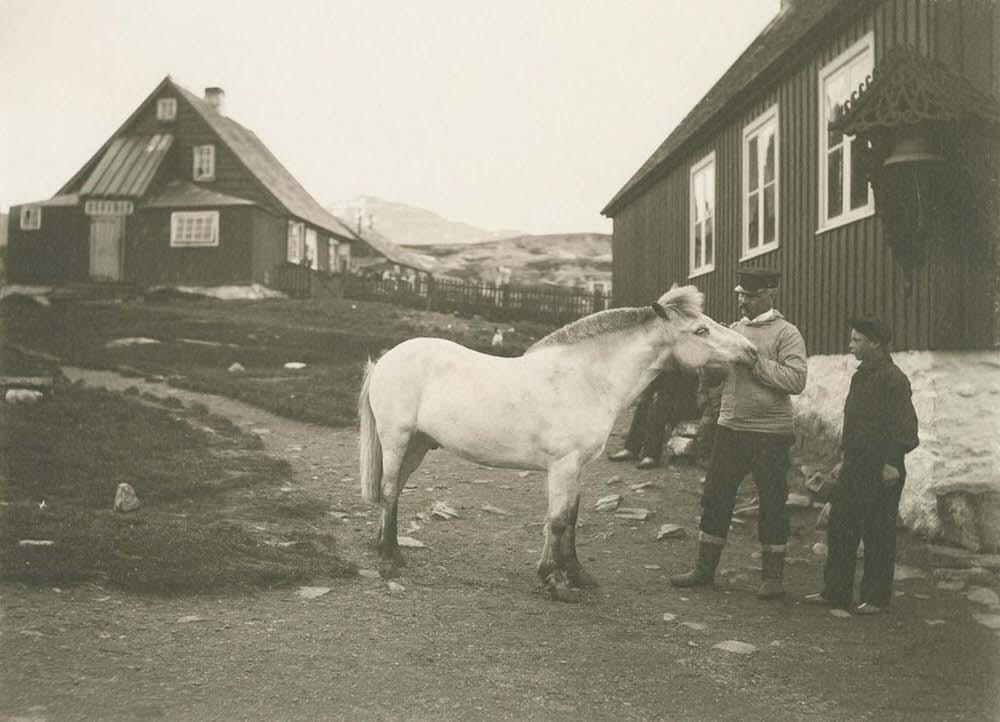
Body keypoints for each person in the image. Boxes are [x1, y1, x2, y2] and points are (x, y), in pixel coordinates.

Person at [671, 267, 808, 599]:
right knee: (716, 497)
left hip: (771, 432)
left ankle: (772, 578)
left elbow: (796, 380)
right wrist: (709, 371)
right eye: (740, 295)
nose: (742, 302)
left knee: (772, 502)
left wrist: (755, 362)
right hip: (730, 426)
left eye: (748, 296)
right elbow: (718, 372)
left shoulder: (787, 333)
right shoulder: (732, 330)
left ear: (767, 295)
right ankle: (704, 570)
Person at [805, 316, 918, 615]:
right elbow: (856, 424)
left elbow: (906, 429)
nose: (850, 344)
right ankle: (835, 592)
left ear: (876, 343)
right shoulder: (861, 375)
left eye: (856, 340)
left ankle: (876, 598)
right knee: (841, 526)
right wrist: (844, 460)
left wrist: (892, 463)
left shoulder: (894, 379)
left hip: (882, 468)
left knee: (878, 532)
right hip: (855, 465)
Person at [608, 367, 698, 469]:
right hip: (669, 400)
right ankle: (631, 449)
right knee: (644, 404)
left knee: (659, 405)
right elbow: (652, 385)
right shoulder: (665, 364)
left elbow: (687, 389)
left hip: (688, 404)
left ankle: (651, 455)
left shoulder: (688, 363)